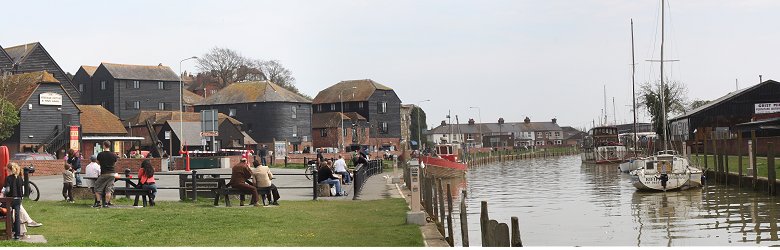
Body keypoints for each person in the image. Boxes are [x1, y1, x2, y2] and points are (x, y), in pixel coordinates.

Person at [95, 140, 118, 208]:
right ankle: (106, 203)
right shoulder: (113, 155)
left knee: (97, 187)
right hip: (112, 173)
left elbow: (98, 162)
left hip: (104, 173)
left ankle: (98, 202)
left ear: (104, 145)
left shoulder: (100, 154)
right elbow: (115, 163)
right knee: (109, 189)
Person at [3, 163, 24, 239]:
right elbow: (23, 190)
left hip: (10, 200)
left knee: (9, 214)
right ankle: (17, 234)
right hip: (18, 199)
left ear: (9, 169)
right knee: (17, 216)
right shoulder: (20, 178)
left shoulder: (8, 178)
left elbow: (7, 190)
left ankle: (11, 230)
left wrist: (3, 193)